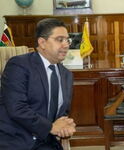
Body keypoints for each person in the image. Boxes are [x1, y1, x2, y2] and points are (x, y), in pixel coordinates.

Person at [0, 18, 76, 150]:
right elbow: (17, 108)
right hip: (17, 140)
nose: (66, 45)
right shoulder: (19, 65)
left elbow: (61, 112)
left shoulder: (66, 75)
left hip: (47, 141)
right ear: (42, 42)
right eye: (60, 39)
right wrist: (51, 127)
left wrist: (66, 124)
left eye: (67, 40)